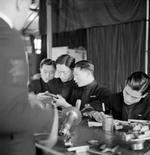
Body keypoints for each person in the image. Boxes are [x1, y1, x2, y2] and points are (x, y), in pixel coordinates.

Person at [0, 0, 58, 155]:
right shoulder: (8, 36)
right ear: (21, 2)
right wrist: (50, 119)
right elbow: (6, 114)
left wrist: (24, 98)